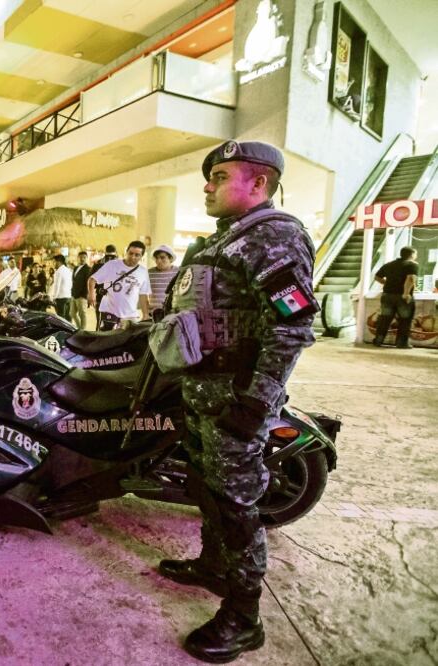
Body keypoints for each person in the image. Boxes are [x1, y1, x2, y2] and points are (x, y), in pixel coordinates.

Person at [155, 140, 317, 662]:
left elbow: (290, 328)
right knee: (204, 485)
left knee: (238, 506)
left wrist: (255, 405)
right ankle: (212, 565)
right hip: (202, 394)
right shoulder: (220, 242)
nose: (207, 185)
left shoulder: (274, 238)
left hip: (235, 401)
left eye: (220, 176)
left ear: (259, 184)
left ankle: (244, 617)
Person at [88, 241, 150, 331]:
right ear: (126, 252)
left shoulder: (143, 272)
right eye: (131, 253)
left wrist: (145, 314)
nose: (133, 257)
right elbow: (92, 279)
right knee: (104, 342)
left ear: (141, 256)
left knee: (127, 343)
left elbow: (144, 295)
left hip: (130, 316)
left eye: (137, 255)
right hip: (109, 312)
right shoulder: (112, 265)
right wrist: (91, 294)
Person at [372, 246, 418, 349]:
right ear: (412, 255)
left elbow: (377, 277)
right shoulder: (412, 265)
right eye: (415, 254)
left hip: (387, 296)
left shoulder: (389, 264)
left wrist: (387, 283)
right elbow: (410, 279)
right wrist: (406, 293)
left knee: (384, 319)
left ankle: (378, 341)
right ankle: (402, 343)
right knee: (405, 320)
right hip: (402, 297)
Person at [147, 244, 178, 322]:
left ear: (170, 258)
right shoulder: (149, 273)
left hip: (172, 315)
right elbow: (142, 293)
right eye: (156, 258)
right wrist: (145, 312)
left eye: (162, 257)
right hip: (153, 315)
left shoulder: (178, 272)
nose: (158, 261)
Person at [71, 251, 91, 329]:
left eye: (84, 257)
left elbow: (88, 284)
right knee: (72, 314)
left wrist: (85, 295)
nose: (82, 259)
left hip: (82, 296)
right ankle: (79, 328)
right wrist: (72, 293)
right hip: (74, 295)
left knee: (82, 314)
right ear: (78, 258)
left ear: (86, 258)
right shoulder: (76, 268)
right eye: (80, 257)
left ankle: (82, 331)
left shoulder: (88, 269)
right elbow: (74, 281)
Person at [49, 254, 72, 322]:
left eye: (54, 262)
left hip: (60, 298)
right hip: (68, 296)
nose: (53, 264)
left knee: (61, 318)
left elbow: (57, 286)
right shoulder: (68, 270)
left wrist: (54, 298)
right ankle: (72, 331)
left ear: (58, 262)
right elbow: (71, 283)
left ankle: (63, 332)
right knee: (67, 316)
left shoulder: (58, 272)